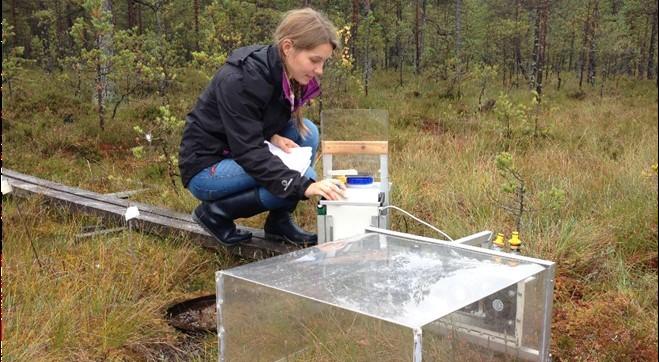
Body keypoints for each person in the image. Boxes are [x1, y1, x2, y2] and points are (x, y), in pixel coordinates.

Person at [179, 8, 346, 248]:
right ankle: (215, 213)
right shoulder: (242, 79)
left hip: (236, 149)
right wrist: (304, 186)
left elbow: (249, 121)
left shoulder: (282, 72)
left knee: (306, 132)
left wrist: (271, 135)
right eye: (314, 60)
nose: (319, 70)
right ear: (288, 47)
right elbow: (249, 152)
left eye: (323, 62)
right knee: (303, 176)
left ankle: (279, 223)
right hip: (206, 167)